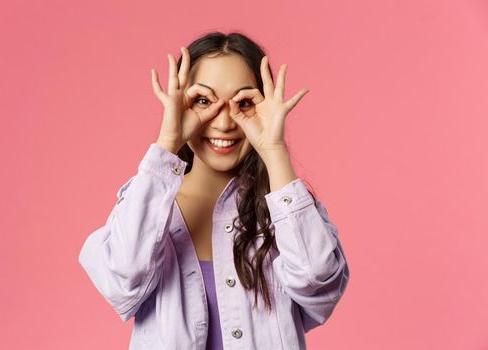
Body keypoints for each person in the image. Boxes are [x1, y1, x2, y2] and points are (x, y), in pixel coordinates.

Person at [78, 31, 350, 350]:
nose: (223, 123)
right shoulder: (150, 205)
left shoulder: (286, 210)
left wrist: (274, 150)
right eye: (203, 101)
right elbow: (121, 280)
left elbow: (320, 285)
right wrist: (168, 141)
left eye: (244, 103)